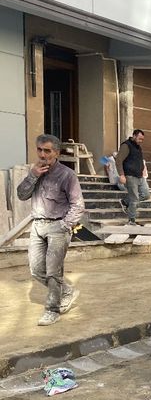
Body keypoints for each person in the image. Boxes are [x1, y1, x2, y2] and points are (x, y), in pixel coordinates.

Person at [16, 134, 85, 326]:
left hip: (57, 227)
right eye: (39, 149)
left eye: (47, 150)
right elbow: (21, 194)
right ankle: (67, 290)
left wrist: (64, 225)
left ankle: (52, 310)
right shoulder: (35, 171)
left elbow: (78, 205)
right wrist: (33, 175)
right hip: (37, 226)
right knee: (36, 269)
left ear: (56, 153)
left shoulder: (67, 175)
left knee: (53, 271)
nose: (42, 154)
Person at [116, 129, 150, 225]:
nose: (141, 141)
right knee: (134, 199)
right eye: (139, 139)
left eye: (142, 139)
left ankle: (125, 201)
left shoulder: (138, 147)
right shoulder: (126, 146)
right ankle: (131, 220)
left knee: (146, 194)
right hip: (130, 176)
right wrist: (121, 175)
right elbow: (118, 160)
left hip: (140, 176)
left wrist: (142, 171)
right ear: (134, 136)